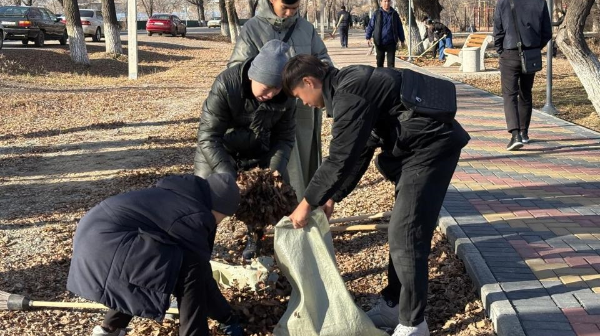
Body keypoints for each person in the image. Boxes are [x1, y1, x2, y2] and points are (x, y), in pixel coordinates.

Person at [282, 55, 470, 336]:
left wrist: (307, 204)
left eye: (300, 95)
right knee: (402, 228)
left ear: (309, 81)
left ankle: (413, 324)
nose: (304, 103)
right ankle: (395, 305)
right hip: (417, 148)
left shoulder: (349, 94)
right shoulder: (349, 85)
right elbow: (361, 149)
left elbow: (339, 158)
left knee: (406, 233)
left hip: (432, 147)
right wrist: (332, 196)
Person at [67, 173, 244, 336]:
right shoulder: (195, 215)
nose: (221, 222)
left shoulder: (182, 197)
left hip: (94, 239)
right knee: (190, 268)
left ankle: (109, 329)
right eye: (224, 216)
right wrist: (227, 317)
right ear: (220, 207)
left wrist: (225, 315)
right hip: (107, 246)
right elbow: (199, 276)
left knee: (155, 262)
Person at [228, 0, 332, 257]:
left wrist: (321, 71)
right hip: (268, 116)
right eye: (285, 7)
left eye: (294, 9)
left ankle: (300, 228)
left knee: (301, 173)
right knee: (264, 175)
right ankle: (257, 232)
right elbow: (237, 69)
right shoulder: (252, 28)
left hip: (302, 114)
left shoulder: (306, 29)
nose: (289, 13)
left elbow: (324, 60)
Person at [194, 39, 296, 260]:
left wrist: (272, 173)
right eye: (266, 87)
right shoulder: (226, 84)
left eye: (277, 88)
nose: (270, 94)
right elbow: (208, 136)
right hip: (219, 149)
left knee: (269, 192)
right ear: (252, 75)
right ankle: (201, 245)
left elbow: (285, 139)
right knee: (204, 196)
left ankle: (255, 236)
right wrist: (228, 175)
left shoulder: (286, 97)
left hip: (259, 148)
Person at [493, 0, 552, 150]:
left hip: (509, 52)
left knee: (510, 94)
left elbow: (498, 31)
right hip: (531, 53)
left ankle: (515, 135)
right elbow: (547, 32)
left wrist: (501, 51)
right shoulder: (540, 2)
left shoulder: (503, 2)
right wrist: (535, 47)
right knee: (526, 92)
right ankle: (524, 132)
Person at [365, 0, 405, 68]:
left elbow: (399, 27)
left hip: (391, 42)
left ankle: (391, 78)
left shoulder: (394, 14)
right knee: (380, 63)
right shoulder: (376, 13)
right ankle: (380, 77)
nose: (387, 3)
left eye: (388, 1)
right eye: (385, 1)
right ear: (381, 2)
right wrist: (368, 37)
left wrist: (402, 39)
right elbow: (370, 26)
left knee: (391, 64)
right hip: (379, 42)